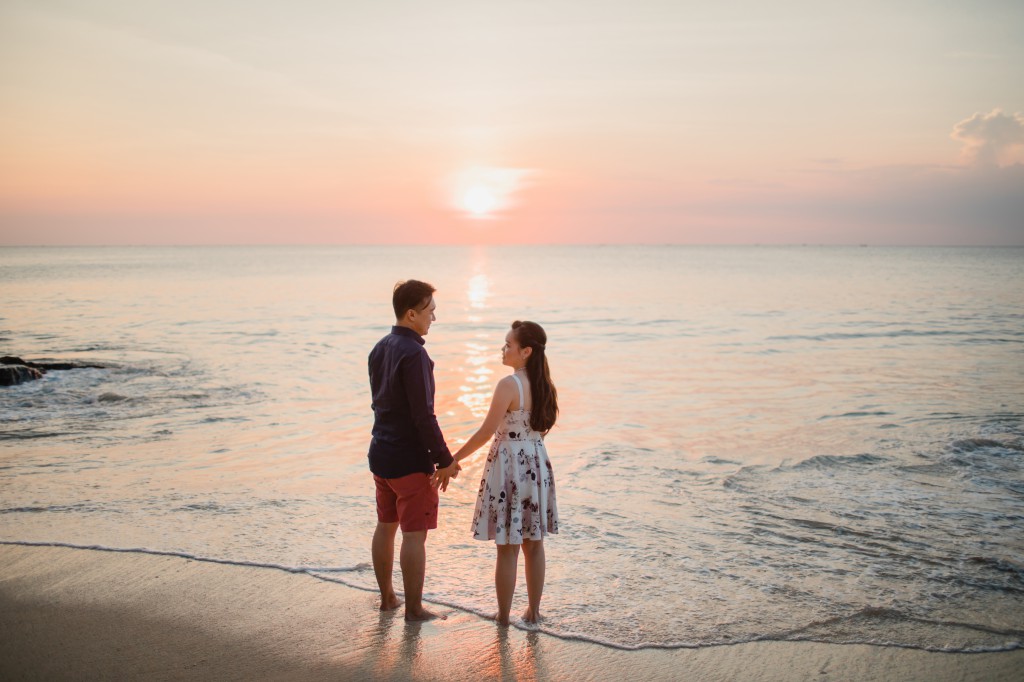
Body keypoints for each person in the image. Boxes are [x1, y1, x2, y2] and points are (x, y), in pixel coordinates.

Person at [440, 320, 559, 626]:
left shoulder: (510, 384)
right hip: (536, 464)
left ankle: (504, 617)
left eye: (509, 344)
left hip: (510, 467)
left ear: (526, 351)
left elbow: (485, 432)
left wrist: (453, 459)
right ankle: (533, 612)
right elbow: (540, 430)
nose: (503, 349)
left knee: (507, 548)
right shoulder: (544, 385)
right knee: (534, 544)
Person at [367, 279, 461, 621]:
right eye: (430, 311)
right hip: (408, 461)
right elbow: (423, 416)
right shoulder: (415, 354)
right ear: (411, 314)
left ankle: (388, 598)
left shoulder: (379, 347)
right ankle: (414, 609)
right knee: (413, 536)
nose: (433, 318)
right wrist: (446, 460)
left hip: (380, 454)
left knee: (385, 526)